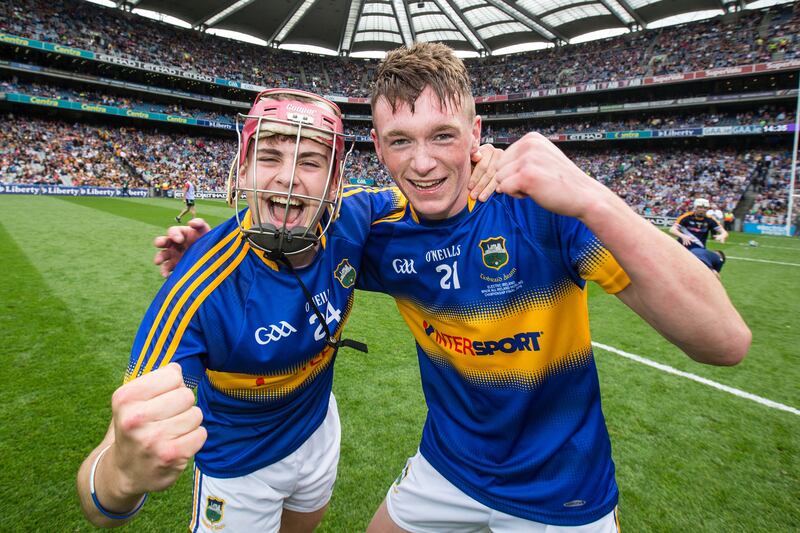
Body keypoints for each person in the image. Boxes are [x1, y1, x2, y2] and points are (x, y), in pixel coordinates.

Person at [156, 43, 751, 532]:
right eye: (400, 141)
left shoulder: (542, 214)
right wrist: (206, 251)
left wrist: (591, 196)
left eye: (443, 135)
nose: (422, 163)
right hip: (448, 471)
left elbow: (723, 342)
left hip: (563, 496)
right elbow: (290, 229)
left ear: (476, 133)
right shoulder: (376, 230)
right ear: (379, 149)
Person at [78, 88, 499, 532]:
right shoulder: (198, 290)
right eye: (270, 156)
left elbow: (439, 192)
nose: (287, 178)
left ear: (335, 181)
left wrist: (487, 161)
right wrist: (121, 476)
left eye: (311, 161)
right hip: (240, 467)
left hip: (317, 429)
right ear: (243, 168)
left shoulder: (354, 216)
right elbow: (100, 490)